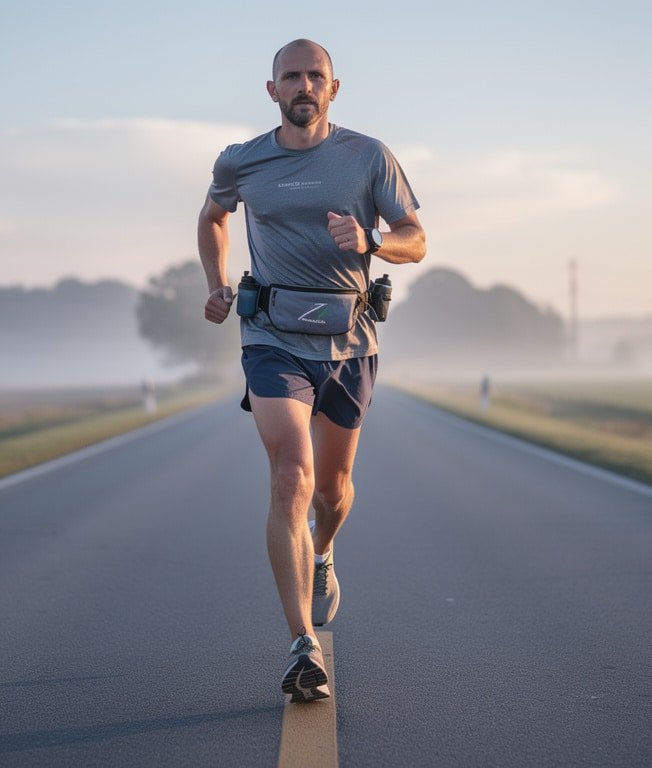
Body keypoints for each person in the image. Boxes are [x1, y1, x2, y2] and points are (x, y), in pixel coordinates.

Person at [198, 39, 426, 703]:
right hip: (271, 338)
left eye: (315, 76)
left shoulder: (368, 156)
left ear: (333, 87)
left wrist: (373, 240)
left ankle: (322, 552)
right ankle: (303, 644)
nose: (304, 85)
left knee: (331, 492)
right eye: (291, 76)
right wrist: (216, 283)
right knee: (290, 476)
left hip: (349, 343)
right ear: (272, 89)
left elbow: (416, 238)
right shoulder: (241, 160)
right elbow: (213, 217)